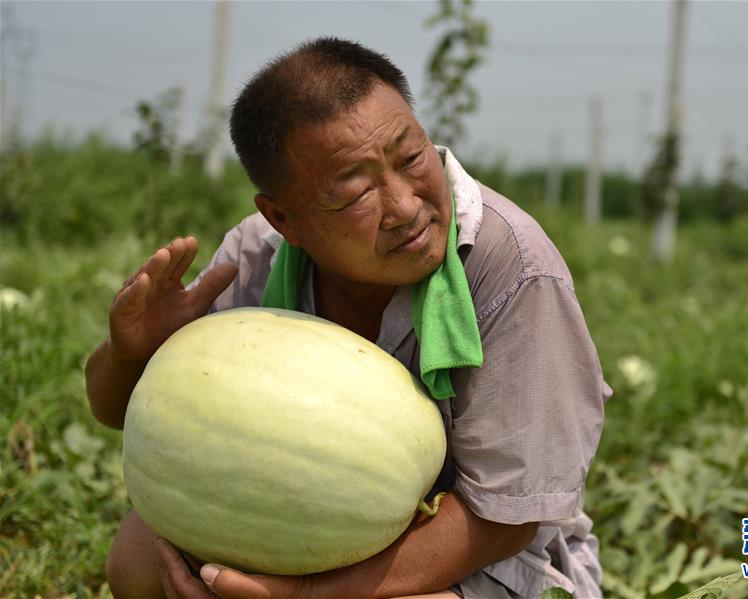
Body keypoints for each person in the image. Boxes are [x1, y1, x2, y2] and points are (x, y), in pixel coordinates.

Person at [86, 38, 610, 599]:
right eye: (356, 191)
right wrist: (133, 352)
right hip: (308, 525)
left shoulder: (513, 268)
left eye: (411, 159)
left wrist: (309, 596)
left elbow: (505, 522)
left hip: (488, 559)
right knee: (137, 559)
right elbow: (126, 415)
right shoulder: (257, 254)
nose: (406, 207)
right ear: (284, 218)